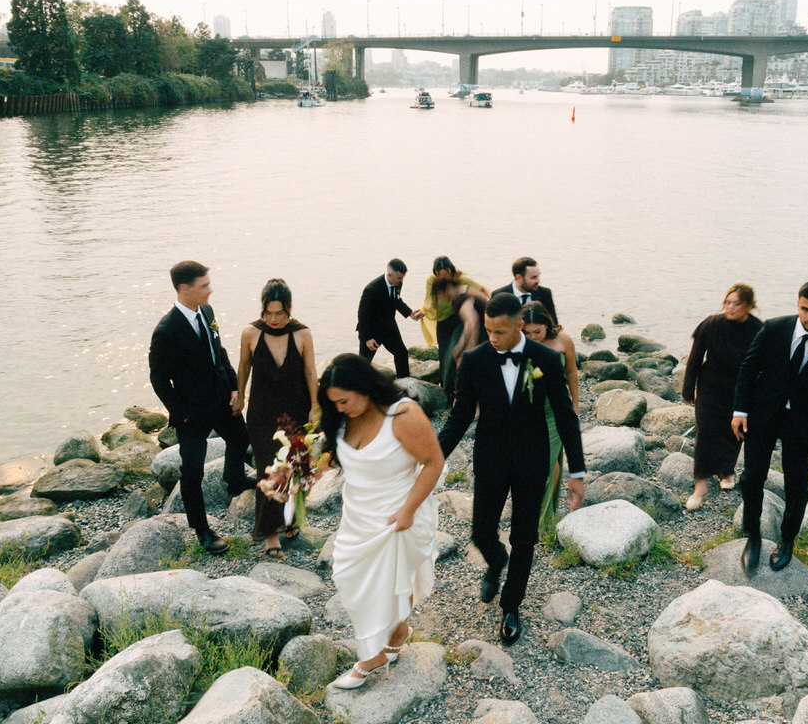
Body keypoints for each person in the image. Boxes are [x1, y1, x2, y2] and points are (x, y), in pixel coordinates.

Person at [438, 293, 585, 646]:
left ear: (519, 325)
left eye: (500, 331)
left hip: (533, 460)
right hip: (490, 459)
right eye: (488, 330)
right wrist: (433, 458)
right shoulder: (474, 361)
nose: (493, 338)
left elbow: (566, 416)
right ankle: (495, 561)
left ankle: (511, 606)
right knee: (481, 533)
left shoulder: (546, 360)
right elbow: (459, 418)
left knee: (524, 539)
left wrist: (576, 472)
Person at [319, 354, 445, 689]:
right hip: (357, 518)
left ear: (363, 386)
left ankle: (373, 657)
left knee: (388, 584)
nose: (341, 408)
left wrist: (407, 511)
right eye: (335, 403)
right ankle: (396, 634)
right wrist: (289, 477)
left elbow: (433, 462)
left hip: (396, 516)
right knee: (348, 577)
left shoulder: (403, 415)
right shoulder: (343, 419)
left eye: (345, 400)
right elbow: (332, 461)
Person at [732, 280, 808, 575]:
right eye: (805, 309)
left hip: (802, 422)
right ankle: (754, 537)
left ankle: (787, 540)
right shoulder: (774, 329)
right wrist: (740, 410)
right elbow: (748, 368)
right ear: (797, 305)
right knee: (751, 479)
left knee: (796, 486)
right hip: (762, 415)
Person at [149, 260, 252, 555]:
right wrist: (181, 412)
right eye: (204, 285)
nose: (210, 290)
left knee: (240, 438)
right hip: (191, 412)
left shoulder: (206, 312)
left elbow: (220, 354)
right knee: (192, 472)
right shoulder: (166, 331)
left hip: (221, 398)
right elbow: (158, 379)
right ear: (185, 289)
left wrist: (235, 389)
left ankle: (234, 480)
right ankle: (202, 530)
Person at [235, 279, 319, 559]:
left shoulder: (302, 334)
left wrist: (316, 406)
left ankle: (289, 518)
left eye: (278, 313)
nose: (272, 319)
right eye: (267, 313)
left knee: (295, 467)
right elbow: (244, 366)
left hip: (295, 411)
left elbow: (310, 372)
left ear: (290, 309)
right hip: (261, 413)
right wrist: (241, 397)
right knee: (267, 471)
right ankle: (270, 534)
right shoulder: (250, 333)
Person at [681, 284, 763, 512]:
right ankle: (701, 485)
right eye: (728, 302)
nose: (731, 307)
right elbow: (695, 357)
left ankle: (726, 471)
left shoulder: (758, 329)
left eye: (736, 304)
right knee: (706, 431)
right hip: (710, 387)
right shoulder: (711, 324)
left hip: (740, 390)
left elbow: (764, 365)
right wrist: (688, 387)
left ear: (748, 306)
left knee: (734, 432)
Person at [520, 301, 580, 535]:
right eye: (527, 332)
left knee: (549, 463)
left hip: (557, 411)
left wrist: (575, 405)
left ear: (548, 325)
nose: (533, 337)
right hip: (529, 412)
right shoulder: (517, 344)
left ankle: (542, 523)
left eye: (538, 331)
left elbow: (572, 371)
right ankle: (545, 517)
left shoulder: (563, 340)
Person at [422, 256, 486, 395]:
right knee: (446, 356)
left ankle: (460, 393)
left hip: (462, 322)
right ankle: (449, 389)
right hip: (444, 322)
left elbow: (472, 322)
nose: (442, 298)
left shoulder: (459, 294)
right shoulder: (458, 290)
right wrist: (422, 311)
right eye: (439, 274)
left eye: (441, 294)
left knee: (458, 356)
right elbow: (428, 300)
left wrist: (467, 346)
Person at [357, 259, 422, 378]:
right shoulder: (371, 289)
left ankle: (405, 383)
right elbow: (362, 315)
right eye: (399, 278)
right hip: (372, 331)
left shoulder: (397, 283)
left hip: (389, 327)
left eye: (402, 278)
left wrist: (409, 313)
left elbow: (395, 299)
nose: (401, 281)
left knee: (401, 353)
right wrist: (367, 338)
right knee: (363, 364)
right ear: (389, 275)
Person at [493, 256, 558, 325]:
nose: (538, 281)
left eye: (538, 276)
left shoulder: (545, 294)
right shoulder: (499, 296)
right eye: (533, 277)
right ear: (519, 278)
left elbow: (554, 325)